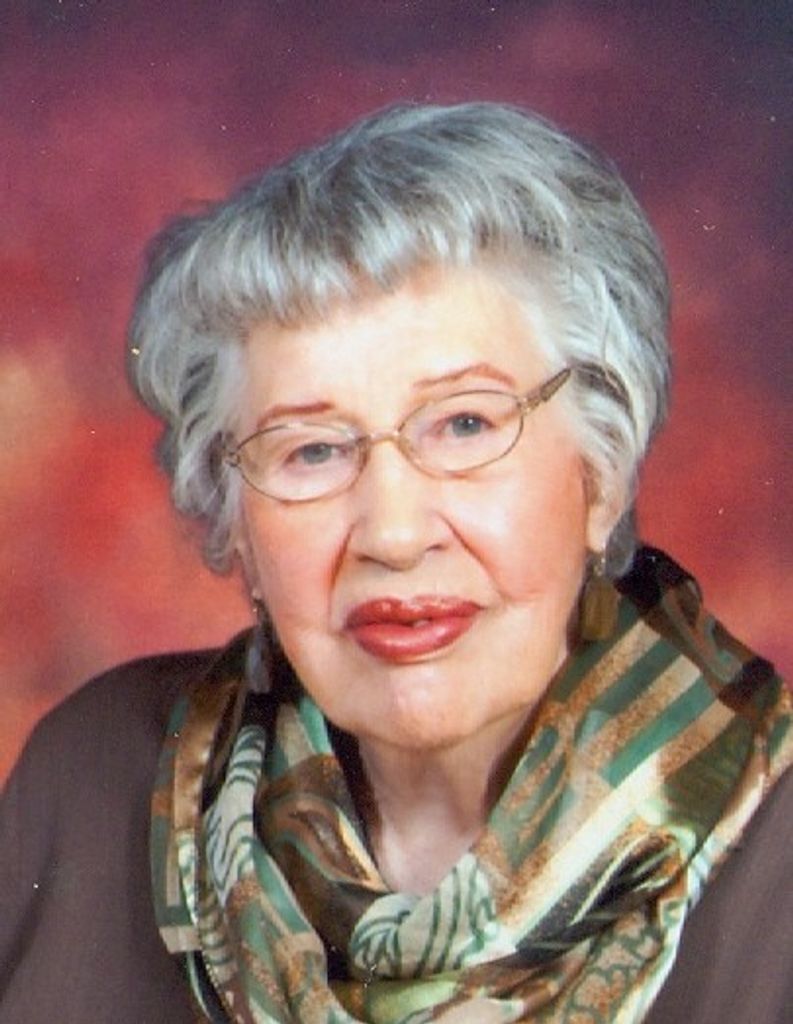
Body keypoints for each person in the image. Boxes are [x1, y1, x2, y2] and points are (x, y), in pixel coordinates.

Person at [1, 102, 791, 1024]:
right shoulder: (96, 776)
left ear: (601, 474)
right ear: (235, 518)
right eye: (311, 450)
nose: (394, 533)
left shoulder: (775, 861)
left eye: (464, 425)